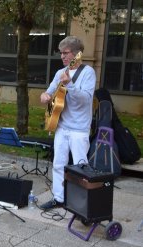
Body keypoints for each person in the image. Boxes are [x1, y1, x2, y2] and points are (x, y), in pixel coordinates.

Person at [39, 36, 96, 210]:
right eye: (61, 53)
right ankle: (59, 198)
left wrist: (69, 84)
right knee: (58, 164)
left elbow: (86, 99)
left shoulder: (88, 72)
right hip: (61, 126)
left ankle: (80, 203)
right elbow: (47, 93)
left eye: (66, 53)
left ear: (77, 54)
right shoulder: (60, 73)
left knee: (80, 166)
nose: (62, 56)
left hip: (79, 128)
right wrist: (45, 97)